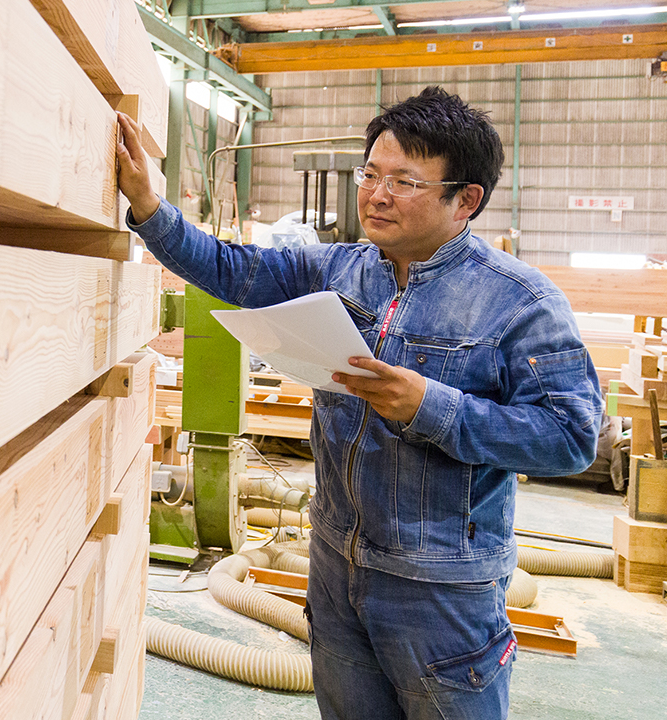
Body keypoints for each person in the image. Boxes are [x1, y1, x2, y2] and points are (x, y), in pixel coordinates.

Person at [116, 87, 602, 719]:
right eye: (370, 174)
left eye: (404, 182)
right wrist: (149, 205)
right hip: (336, 566)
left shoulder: (520, 303)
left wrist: (431, 405)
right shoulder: (340, 271)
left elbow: (570, 437)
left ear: (467, 200)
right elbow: (233, 269)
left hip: (439, 589)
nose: (375, 194)